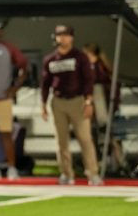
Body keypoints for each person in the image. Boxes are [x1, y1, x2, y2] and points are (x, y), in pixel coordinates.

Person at [40, 24, 102, 185]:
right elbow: (45, 83)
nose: (63, 38)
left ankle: (92, 173)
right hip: (58, 101)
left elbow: (89, 80)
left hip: (77, 101)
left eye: (66, 35)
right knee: (61, 141)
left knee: (85, 138)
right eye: (60, 35)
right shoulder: (50, 59)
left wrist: (89, 101)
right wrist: (43, 104)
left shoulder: (80, 56)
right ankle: (67, 173)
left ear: (72, 37)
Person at [0, 21, 28, 180]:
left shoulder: (8, 47)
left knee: (6, 133)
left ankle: (11, 167)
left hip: (3, 98)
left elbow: (24, 66)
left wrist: (14, 89)